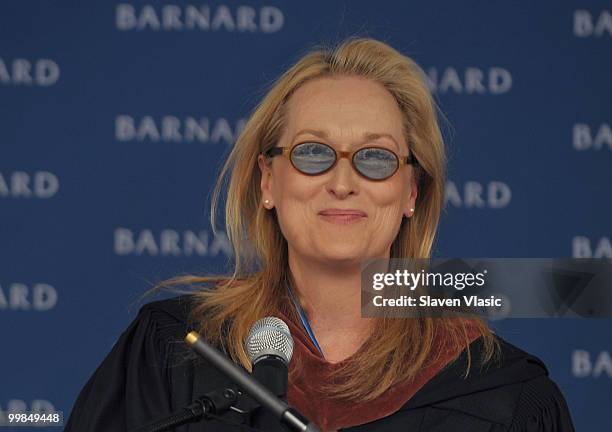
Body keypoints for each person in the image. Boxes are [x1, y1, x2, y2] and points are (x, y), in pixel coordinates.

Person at [65, 37, 575, 432]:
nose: (342, 182)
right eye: (313, 153)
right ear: (268, 182)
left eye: (375, 158)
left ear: (411, 193)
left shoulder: (496, 393)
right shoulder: (173, 353)